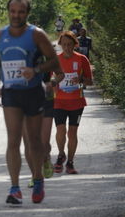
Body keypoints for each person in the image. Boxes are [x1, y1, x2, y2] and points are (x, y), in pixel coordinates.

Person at [0, 0, 63, 205]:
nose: (16, 15)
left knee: (33, 140)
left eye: (21, 12)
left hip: (33, 92)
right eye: (13, 11)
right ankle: (14, 188)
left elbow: (55, 63)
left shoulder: (36, 35)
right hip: (11, 92)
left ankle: (38, 179)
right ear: (8, 11)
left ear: (27, 13)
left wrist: (36, 69)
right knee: (13, 140)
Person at [52, 31, 93, 175]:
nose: (67, 48)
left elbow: (90, 81)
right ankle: (61, 154)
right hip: (59, 101)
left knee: (72, 132)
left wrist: (81, 80)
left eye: (70, 45)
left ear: (75, 45)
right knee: (60, 130)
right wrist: (53, 83)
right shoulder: (55, 60)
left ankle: (70, 162)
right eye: (64, 45)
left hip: (77, 102)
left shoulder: (82, 59)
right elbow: (50, 80)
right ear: (60, 45)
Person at [23, 70, 64, 188]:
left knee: (44, 143)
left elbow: (61, 74)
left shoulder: (46, 52)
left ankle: (46, 158)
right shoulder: (18, 53)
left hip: (46, 99)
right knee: (29, 143)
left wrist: (53, 82)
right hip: (24, 99)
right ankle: (35, 176)